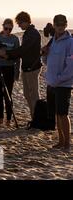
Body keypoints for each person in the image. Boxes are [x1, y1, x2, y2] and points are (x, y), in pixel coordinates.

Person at [0, 11, 41, 118]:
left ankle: (37, 118)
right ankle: (34, 116)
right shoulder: (28, 33)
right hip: (26, 67)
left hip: (32, 67)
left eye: (20, 23)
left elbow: (23, 50)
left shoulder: (33, 33)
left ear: (26, 21)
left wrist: (7, 54)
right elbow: (22, 51)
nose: (19, 25)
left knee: (33, 94)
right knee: (27, 94)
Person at [43, 15, 72, 151]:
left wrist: (59, 78)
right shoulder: (52, 41)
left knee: (63, 113)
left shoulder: (70, 42)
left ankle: (67, 143)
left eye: (63, 24)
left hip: (63, 84)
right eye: (58, 24)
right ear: (54, 25)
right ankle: (60, 141)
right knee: (56, 113)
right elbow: (46, 62)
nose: (60, 26)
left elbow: (71, 66)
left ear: (66, 25)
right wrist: (44, 54)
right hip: (51, 83)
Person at [0, 19, 21, 126]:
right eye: (5, 28)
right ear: (2, 27)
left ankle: (8, 118)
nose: (7, 31)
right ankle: (0, 118)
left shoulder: (15, 39)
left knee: (8, 94)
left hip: (9, 68)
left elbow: (17, 56)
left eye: (10, 29)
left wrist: (17, 71)